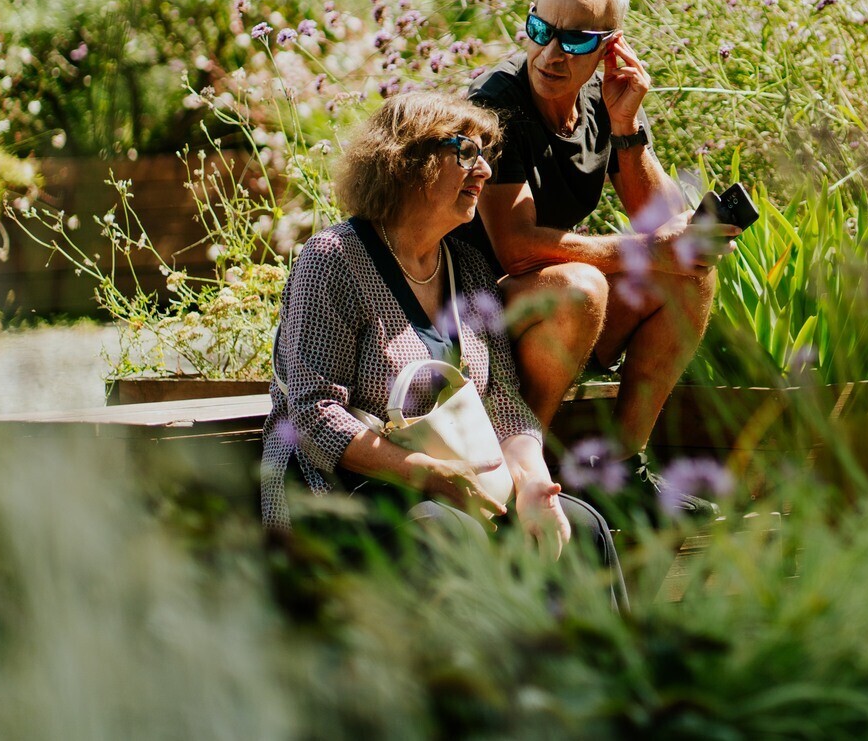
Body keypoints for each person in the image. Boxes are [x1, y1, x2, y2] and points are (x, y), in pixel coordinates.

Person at [259, 91, 624, 603]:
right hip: (343, 488)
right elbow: (313, 414)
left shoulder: (469, 271)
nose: (484, 171)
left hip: (454, 488)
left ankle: (605, 680)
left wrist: (536, 485)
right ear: (407, 162)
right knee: (446, 536)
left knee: (581, 527)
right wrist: (428, 477)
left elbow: (501, 399)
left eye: (486, 155)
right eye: (466, 152)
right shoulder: (334, 260)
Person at [450, 0, 738, 505]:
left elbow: (659, 221)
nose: (550, 54)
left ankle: (624, 474)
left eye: (577, 40)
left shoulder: (605, 98)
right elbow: (516, 249)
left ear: (611, 47)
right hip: (473, 321)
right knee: (581, 288)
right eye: (540, 29)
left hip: (546, 316)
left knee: (691, 274)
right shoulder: (497, 102)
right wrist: (646, 249)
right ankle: (518, 476)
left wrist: (627, 125)